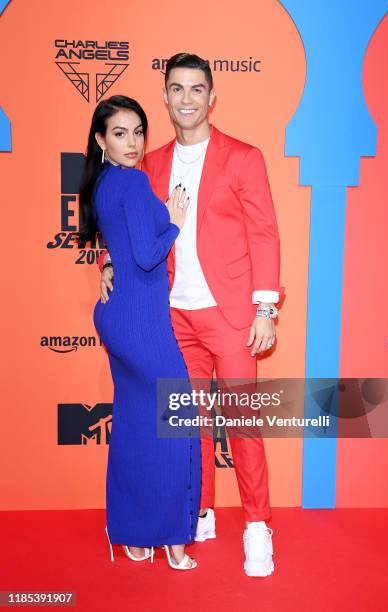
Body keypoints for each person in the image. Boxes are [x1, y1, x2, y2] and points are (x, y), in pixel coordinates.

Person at [99, 54, 282, 577]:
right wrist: (109, 262)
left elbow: (265, 234)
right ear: (164, 97)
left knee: (242, 423)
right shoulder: (148, 163)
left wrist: (265, 308)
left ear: (211, 95)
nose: (186, 100)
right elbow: (125, 224)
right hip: (169, 317)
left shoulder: (243, 157)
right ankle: (197, 512)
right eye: (176, 89)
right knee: (187, 425)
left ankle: (256, 527)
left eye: (196, 89)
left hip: (229, 314)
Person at [79, 94, 201, 571]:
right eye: (119, 133)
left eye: (137, 132)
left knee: (134, 426)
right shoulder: (131, 181)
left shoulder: (104, 182)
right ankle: (171, 536)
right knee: (175, 421)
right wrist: (173, 221)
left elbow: (121, 247)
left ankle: (132, 533)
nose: (132, 142)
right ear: (100, 140)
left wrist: (108, 261)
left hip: (121, 317)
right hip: (141, 322)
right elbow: (149, 254)